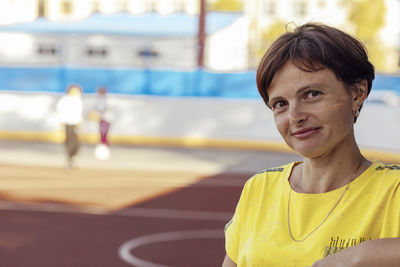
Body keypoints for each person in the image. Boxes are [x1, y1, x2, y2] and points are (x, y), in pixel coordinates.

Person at [222, 23, 400, 266]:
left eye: (312, 94)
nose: (295, 116)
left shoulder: (394, 192)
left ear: (358, 93)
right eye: (280, 104)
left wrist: (359, 256)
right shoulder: (259, 189)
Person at [56, 84, 83, 169]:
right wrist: (61, 122)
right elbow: (61, 111)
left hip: (75, 124)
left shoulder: (78, 100)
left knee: (76, 143)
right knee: (70, 142)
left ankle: (72, 157)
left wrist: (80, 123)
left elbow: (79, 113)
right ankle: (69, 159)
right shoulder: (64, 100)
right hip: (68, 123)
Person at [90, 86, 111, 160]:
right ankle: (103, 149)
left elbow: (102, 109)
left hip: (105, 119)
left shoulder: (102, 99)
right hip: (104, 119)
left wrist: (97, 115)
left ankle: (104, 150)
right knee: (103, 135)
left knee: (103, 135)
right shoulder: (103, 99)